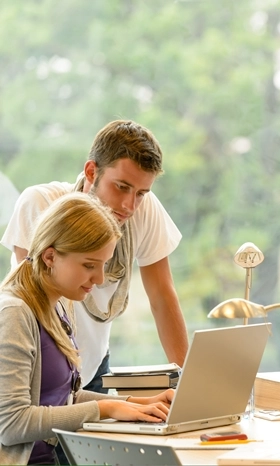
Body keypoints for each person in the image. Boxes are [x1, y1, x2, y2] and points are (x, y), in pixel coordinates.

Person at [1, 120, 188, 393]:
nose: (129, 205)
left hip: (94, 364)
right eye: (121, 187)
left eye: (141, 193)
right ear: (91, 171)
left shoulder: (142, 208)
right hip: (45, 363)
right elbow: (36, 300)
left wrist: (187, 383)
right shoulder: (42, 204)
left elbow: (162, 295)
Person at [0, 193, 174, 465]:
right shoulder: (14, 314)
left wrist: (138, 403)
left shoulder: (59, 304)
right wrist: (104, 408)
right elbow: (11, 424)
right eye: (89, 265)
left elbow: (64, 397)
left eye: (103, 264)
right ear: (50, 256)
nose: (100, 278)